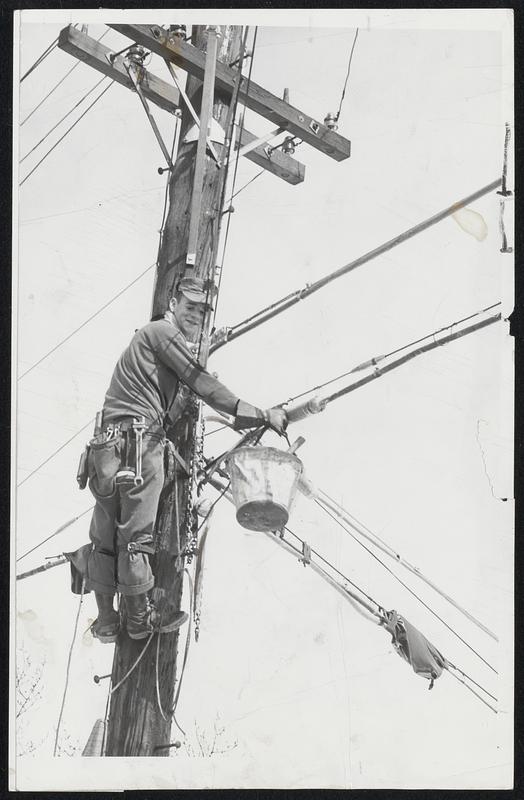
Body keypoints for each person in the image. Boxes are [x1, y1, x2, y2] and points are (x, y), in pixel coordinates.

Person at [85, 276, 287, 643]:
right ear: (173, 303)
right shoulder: (163, 332)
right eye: (189, 306)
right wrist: (260, 414)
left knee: (104, 533)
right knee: (134, 537)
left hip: (106, 449)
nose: (195, 315)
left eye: (201, 310)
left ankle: (106, 619)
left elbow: (176, 401)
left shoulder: (149, 340)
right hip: (138, 444)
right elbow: (203, 384)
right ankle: (138, 620)